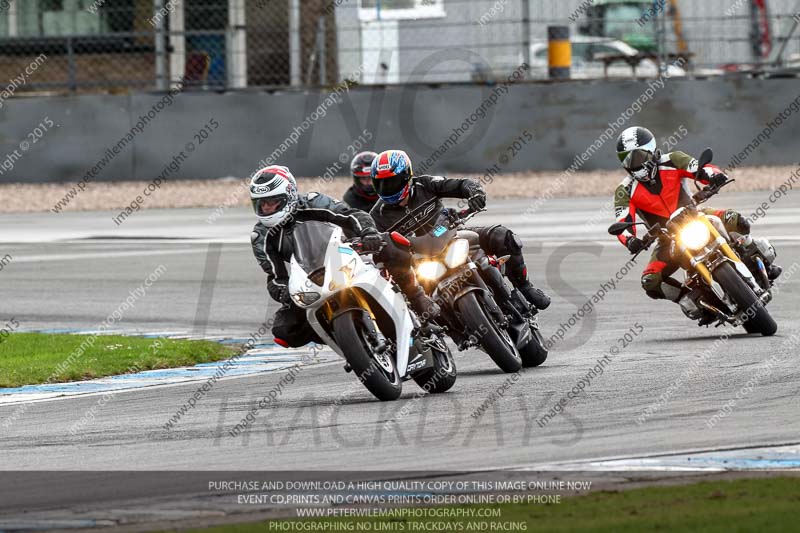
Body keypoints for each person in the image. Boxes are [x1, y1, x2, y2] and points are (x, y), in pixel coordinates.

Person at [250, 165, 438, 347]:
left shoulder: (313, 202)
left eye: (271, 201)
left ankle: (416, 297)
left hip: (346, 250)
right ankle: (348, 340)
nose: (266, 208)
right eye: (261, 203)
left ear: (289, 195)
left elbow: (351, 214)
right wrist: (284, 292)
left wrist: (368, 233)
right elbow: (276, 277)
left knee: (390, 243)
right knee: (284, 330)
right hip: (311, 274)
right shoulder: (261, 237)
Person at [613, 126, 782, 304]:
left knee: (738, 222)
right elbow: (622, 222)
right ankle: (693, 300)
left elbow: (699, 168)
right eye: (627, 159)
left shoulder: (672, 159)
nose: (633, 164)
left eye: (637, 156)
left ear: (651, 150)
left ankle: (763, 264)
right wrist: (630, 239)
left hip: (696, 215)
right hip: (667, 238)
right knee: (650, 281)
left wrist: (715, 176)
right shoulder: (624, 190)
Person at [368, 149, 551, 310]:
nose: (388, 188)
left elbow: (462, 184)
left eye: (393, 181)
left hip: (452, 235)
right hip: (419, 259)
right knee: (411, 299)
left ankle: (525, 287)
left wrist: (475, 193)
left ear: (407, 175)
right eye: (381, 183)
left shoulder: (426, 184)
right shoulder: (377, 215)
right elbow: (377, 247)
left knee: (502, 236)